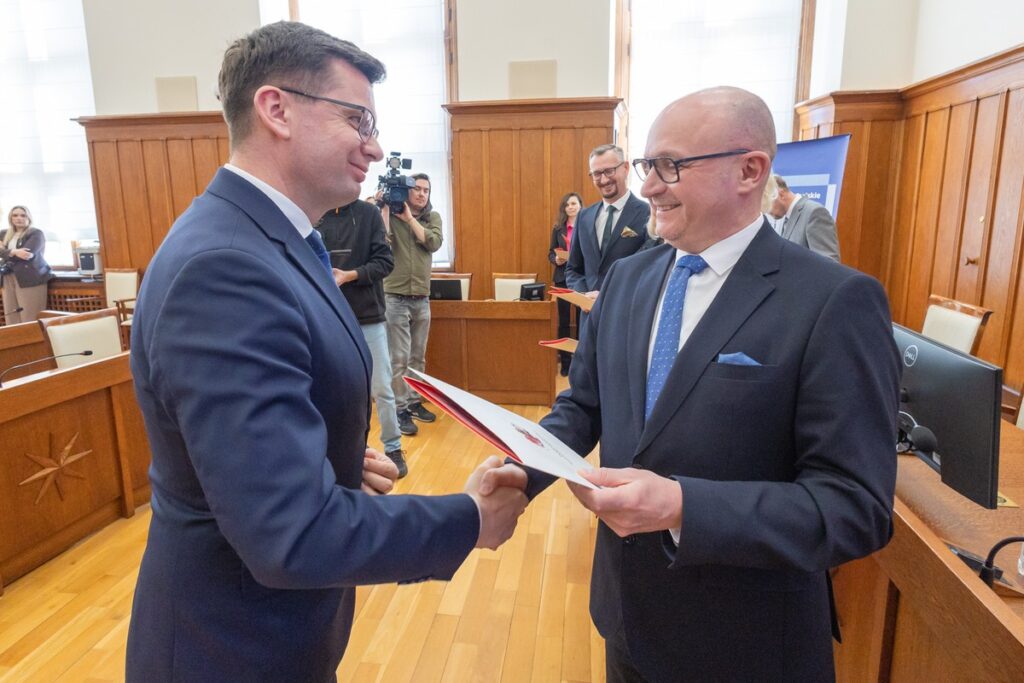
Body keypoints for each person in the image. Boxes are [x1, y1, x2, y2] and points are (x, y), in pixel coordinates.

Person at [126, 22, 527, 681]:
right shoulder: (226, 267)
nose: (374, 146)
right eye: (356, 119)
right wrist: (470, 518)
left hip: (275, 635)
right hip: (228, 647)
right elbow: (292, 534)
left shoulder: (278, 240)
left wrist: (333, 457)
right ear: (276, 108)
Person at [526, 87, 900, 681]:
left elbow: (854, 507)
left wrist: (682, 507)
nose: (648, 186)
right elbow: (584, 407)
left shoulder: (833, 300)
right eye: (648, 166)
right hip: (625, 617)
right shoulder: (626, 279)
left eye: (671, 166)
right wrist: (521, 466)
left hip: (744, 641)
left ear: (749, 170)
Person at [318, 199, 409, 478]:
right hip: (327, 316)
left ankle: (393, 448)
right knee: (337, 391)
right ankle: (348, 452)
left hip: (368, 317)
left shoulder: (368, 214)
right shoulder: (316, 213)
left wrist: (349, 275)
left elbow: (384, 263)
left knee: (382, 387)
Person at [381, 173, 442, 436]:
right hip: (394, 296)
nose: (421, 194)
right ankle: (400, 409)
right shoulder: (389, 217)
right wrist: (384, 209)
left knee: (418, 356)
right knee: (399, 358)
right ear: (406, 191)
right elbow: (382, 242)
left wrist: (410, 221)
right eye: (416, 189)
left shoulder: (432, 218)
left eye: (425, 190)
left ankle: (415, 402)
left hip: (421, 297)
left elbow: (433, 242)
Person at [565, 144, 650, 306]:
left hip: (625, 313)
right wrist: (584, 295)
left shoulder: (648, 214)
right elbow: (573, 269)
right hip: (589, 315)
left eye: (609, 171)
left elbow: (649, 269)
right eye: (597, 174)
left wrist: (608, 297)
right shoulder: (584, 217)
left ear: (625, 168)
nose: (603, 180)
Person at [548, 191, 582, 376]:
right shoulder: (558, 228)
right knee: (563, 322)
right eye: (567, 204)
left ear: (580, 206)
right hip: (562, 278)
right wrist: (556, 259)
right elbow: (550, 253)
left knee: (581, 321)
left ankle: (580, 361)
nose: (571, 207)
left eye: (574, 203)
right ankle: (566, 362)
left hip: (579, 279)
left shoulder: (586, 226)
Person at [1, 206, 53, 324]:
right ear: (10, 218)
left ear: (28, 217)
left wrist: (5, 251)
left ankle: (34, 342)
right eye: (15, 215)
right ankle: (16, 342)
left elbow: (26, 255)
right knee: (11, 314)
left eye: (23, 215)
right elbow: (17, 254)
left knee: (29, 316)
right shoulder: (3, 234)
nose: (19, 218)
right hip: (8, 275)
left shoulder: (35, 233)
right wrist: (14, 252)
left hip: (30, 277)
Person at [770, 174, 841, 261]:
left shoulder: (815, 213)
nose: (765, 210)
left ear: (781, 194)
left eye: (766, 203)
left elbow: (829, 264)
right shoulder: (781, 219)